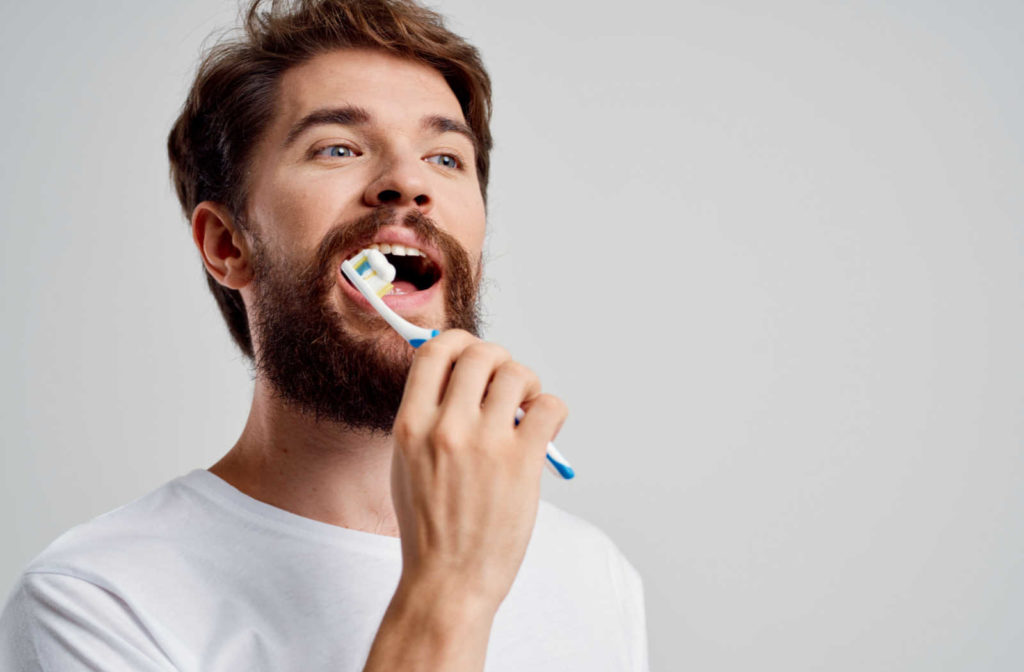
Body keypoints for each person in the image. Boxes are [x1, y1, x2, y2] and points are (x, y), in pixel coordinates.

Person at [0, 1, 649, 669]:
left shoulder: (595, 574)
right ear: (227, 244)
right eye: (337, 148)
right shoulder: (98, 600)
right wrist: (450, 589)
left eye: (445, 157)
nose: (408, 183)